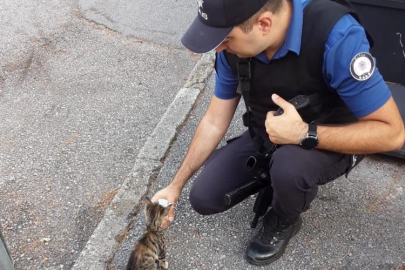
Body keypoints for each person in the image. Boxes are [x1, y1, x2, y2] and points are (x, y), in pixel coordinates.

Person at [152, 0, 405, 266]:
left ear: (264, 24)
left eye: (225, 39)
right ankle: (274, 173)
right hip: (269, 133)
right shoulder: (232, 48)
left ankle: (284, 216)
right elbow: (215, 120)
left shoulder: (336, 35)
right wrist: (175, 185)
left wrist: (303, 133)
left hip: (332, 136)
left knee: (290, 169)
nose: (220, 48)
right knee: (204, 197)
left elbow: (392, 133)